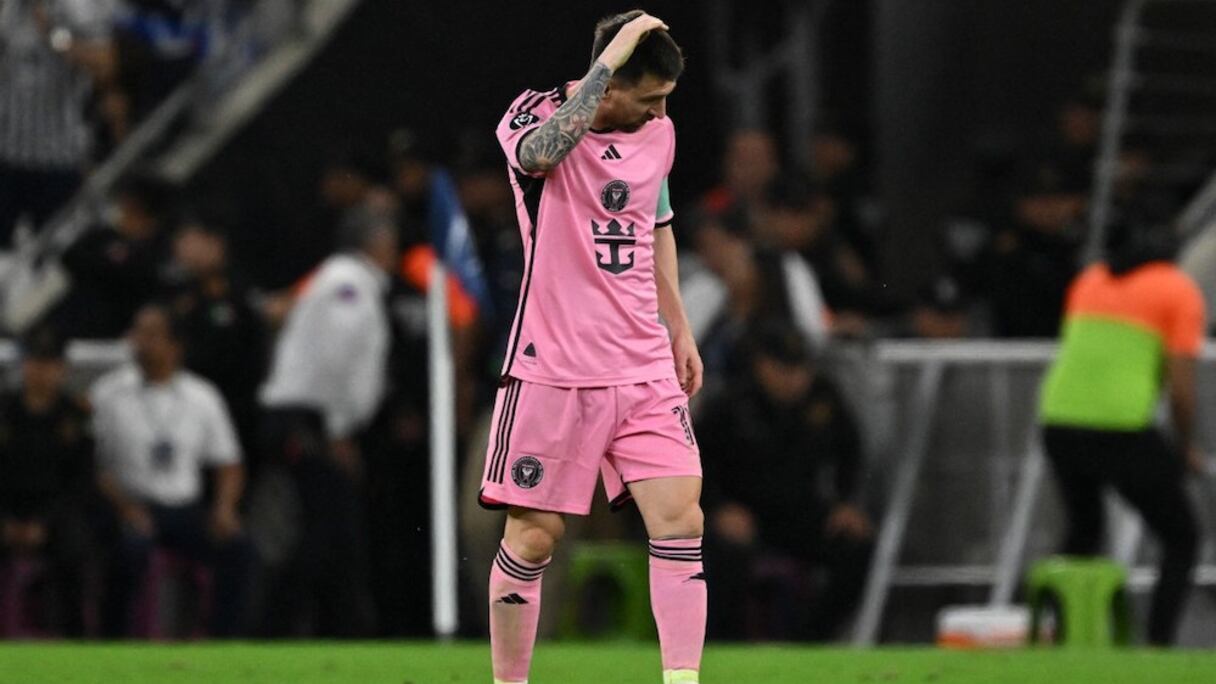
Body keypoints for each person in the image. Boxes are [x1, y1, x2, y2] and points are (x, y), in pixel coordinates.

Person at [479, 12, 705, 684]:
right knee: (533, 537)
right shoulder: (533, 115)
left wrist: (679, 325)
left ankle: (682, 681)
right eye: (649, 97)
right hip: (554, 368)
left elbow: (652, 226)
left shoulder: (658, 134)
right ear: (609, 86)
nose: (661, 112)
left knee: (680, 517)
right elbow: (538, 157)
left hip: (641, 366)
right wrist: (604, 69)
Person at [1038, 219, 1204, 646]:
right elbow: (1181, 388)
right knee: (1181, 535)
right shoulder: (1176, 289)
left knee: (1083, 530)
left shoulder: (1090, 280)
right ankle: (1159, 644)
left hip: (1058, 421)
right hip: (1120, 427)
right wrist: (1183, 446)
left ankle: (1050, 632)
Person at [258, 213, 396, 637]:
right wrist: (335, 430)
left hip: (314, 417)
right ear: (372, 243)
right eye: (389, 240)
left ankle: (325, 627)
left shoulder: (349, 281)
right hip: (309, 417)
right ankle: (279, 626)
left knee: (331, 530)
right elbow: (334, 357)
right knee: (323, 531)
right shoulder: (347, 282)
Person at [699, 322, 873, 641]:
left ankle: (811, 640)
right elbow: (696, 460)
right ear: (762, 365)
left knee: (855, 545)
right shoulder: (732, 404)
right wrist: (717, 508)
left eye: (800, 368)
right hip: (744, 513)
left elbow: (851, 452)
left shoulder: (823, 398)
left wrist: (847, 503)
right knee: (726, 553)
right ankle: (726, 643)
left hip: (798, 512)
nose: (794, 379)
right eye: (783, 368)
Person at [92, 304, 254, 637]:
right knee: (127, 550)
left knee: (240, 550)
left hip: (184, 508)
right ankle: (114, 638)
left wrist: (224, 508)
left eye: (152, 336)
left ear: (175, 346)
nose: (141, 343)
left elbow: (228, 462)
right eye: (137, 334)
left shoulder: (202, 396)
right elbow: (94, 466)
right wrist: (126, 508)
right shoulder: (108, 393)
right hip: (129, 505)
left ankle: (222, 641)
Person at [0, 0, 117, 247]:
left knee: (59, 253)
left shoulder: (76, 7)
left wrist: (55, 36)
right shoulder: (11, 8)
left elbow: (105, 64)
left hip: (55, 158)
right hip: (7, 153)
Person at [0, 325, 93, 636]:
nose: (40, 371)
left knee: (75, 548)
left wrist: (44, 522)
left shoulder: (73, 416)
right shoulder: (5, 411)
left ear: (61, 369)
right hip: (7, 506)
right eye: (35, 362)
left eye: (49, 364)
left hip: (55, 512)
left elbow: (80, 482)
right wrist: (6, 521)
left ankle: (73, 638)